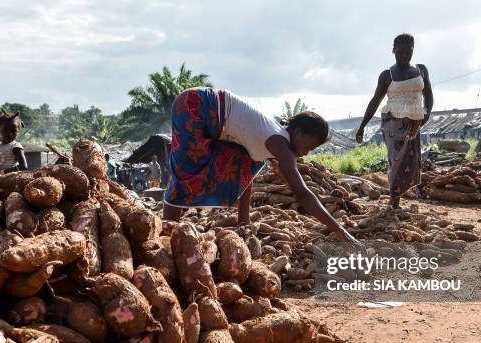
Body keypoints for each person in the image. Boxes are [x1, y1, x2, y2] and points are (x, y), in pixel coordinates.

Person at [163, 87, 358, 243]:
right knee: (185, 171)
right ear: (297, 132)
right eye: (307, 146)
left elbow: (245, 171)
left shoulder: (275, 136)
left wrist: (244, 224)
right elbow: (302, 193)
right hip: (195, 105)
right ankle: (165, 235)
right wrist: (338, 230)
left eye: (310, 150)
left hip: (212, 114)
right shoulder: (279, 143)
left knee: (245, 162)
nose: (305, 153)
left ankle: (242, 220)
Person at [355, 33, 434, 209]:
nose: (405, 56)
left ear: (413, 50)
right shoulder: (387, 75)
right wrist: (362, 126)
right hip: (393, 123)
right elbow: (375, 101)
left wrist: (426, 115)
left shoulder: (421, 70)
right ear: (393, 51)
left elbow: (428, 94)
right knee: (396, 159)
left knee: (411, 161)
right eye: (400, 52)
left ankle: (398, 197)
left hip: (415, 121)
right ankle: (394, 199)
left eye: (408, 52)